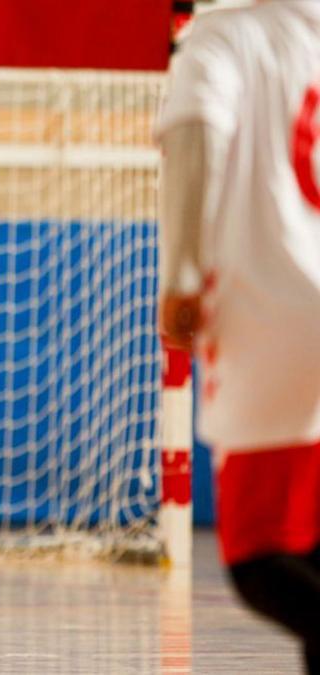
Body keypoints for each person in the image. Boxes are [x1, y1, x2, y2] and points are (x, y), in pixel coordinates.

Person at [157, 3, 320, 673]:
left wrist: (184, 273)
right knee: (310, 546)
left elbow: (196, 130)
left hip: (272, 312)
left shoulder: (224, 35)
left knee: (259, 557)